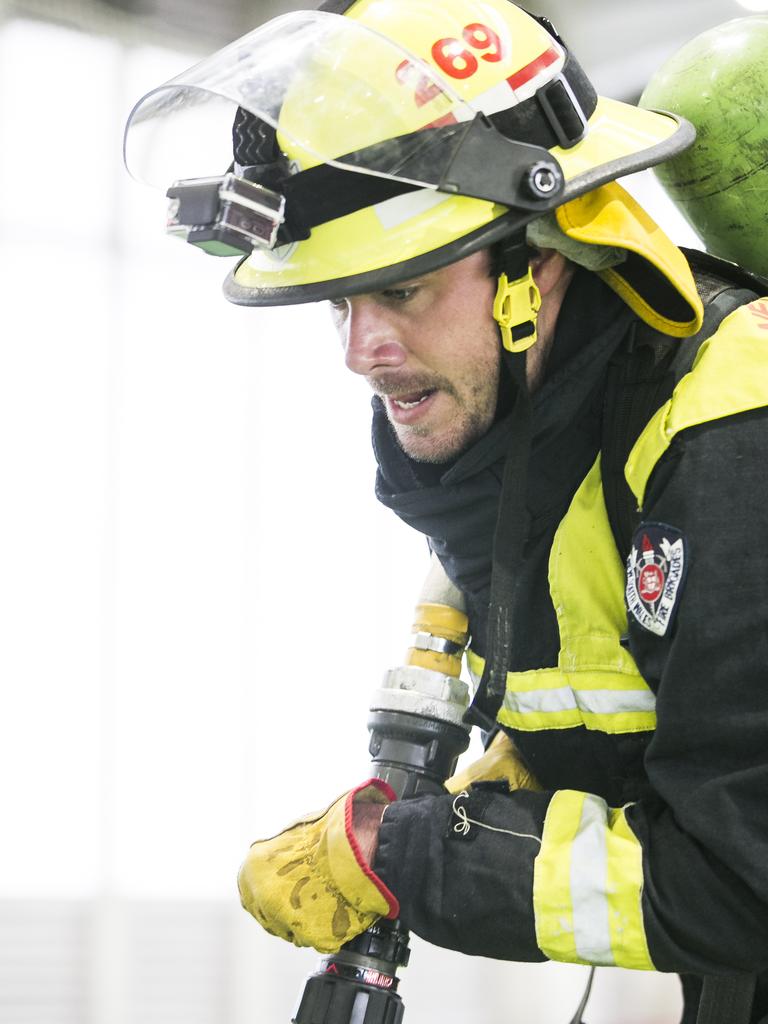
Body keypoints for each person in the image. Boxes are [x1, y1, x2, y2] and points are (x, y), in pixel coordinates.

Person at [124, 2, 768, 1021]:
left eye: (406, 289)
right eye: (340, 303)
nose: (358, 350)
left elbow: (748, 879)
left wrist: (405, 856)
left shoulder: (734, 425)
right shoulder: (553, 446)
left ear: (540, 256)